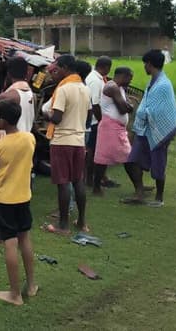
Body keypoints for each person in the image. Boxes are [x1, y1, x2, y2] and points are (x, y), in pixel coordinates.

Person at [0, 57, 36, 247]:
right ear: (27, 72)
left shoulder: (7, 95)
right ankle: (19, 231)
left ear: (8, 73)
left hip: (6, 146)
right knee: (23, 189)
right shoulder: (31, 94)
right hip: (25, 143)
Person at [0, 100, 38, 306]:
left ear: (2, 121)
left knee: (10, 242)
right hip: (23, 197)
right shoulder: (29, 138)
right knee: (25, 237)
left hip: (4, 199)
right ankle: (31, 285)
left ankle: (15, 294)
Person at [41, 54, 91, 235]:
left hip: (62, 140)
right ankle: (82, 222)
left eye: (57, 69)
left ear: (65, 68)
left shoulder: (63, 89)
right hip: (79, 140)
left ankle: (63, 226)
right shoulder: (85, 89)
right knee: (78, 181)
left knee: (63, 182)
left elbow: (56, 118)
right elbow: (89, 117)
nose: (56, 72)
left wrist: (45, 114)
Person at [122, 49, 176, 207]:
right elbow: (147, 105)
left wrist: (140, 111)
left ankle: (159, 198)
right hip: (144, 129)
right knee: (132, 160)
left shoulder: (163, 84)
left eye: (145, 64)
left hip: (159, 130)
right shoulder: (153, 82)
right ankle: (139, 193)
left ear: (150, 64)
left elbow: (159, 109)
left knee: (158, 164)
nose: (144, 67)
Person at [93, 67, 134, 196]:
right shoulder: (112, 87)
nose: (130, 82)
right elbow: (124, 108)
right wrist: (129, 106)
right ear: (123, 76)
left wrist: (128, 106)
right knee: (124, 157)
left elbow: (127, 105)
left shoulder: (120, 88)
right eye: (129, 78)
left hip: (115, 128)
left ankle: (97, 186)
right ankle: (139, 187)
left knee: (105, 158)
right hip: (110, 127)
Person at [84, 56, 112, 187]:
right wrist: (102, 121)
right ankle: (90, 179)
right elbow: (95, 104)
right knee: (92, 151)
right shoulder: (95, 80)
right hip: (95, 121)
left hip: (95, 120)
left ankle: (97, 177)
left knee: (94, 150)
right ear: (106, 67)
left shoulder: (97, 78)